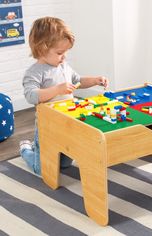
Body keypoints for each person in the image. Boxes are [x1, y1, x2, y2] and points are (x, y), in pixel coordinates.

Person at [20, 16, 108, 175]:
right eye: (60, 52)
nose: (64, 57)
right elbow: (31, 95)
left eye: (66, 52)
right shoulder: (34, 73)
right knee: (42, 169)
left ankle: (36, 149)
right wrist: (57, 89)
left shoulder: (63, 66)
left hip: (68, 122)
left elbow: (78, 81)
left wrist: (95, 80)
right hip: (48, 126)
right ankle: (26, 149)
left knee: (65, 164)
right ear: (42, 49)